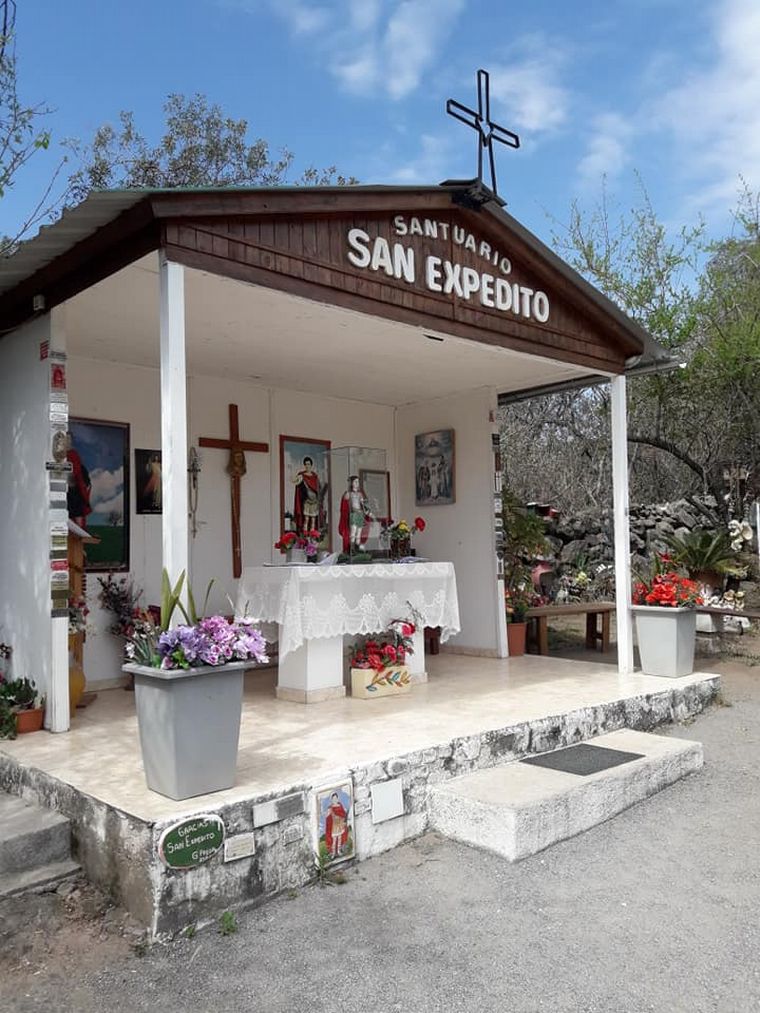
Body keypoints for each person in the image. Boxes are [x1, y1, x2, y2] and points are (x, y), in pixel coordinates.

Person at [339, 475, 372, 553]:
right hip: (353, 514)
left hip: (360, 514)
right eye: (355, 482)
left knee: (359, 533)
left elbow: (363, 505)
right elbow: (344, 507)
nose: (357, 483)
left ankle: (357, 548)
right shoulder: (348, 494)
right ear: (351, 483)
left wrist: (368, 511)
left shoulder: (360, 494)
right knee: (353, 532)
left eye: (358, 482)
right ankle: (351, 548)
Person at [65, 431, 92, 528]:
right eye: (66, 439)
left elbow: (75, 471)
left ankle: (80, 534)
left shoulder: (73, 454)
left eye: (69, 439)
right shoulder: (59, 455)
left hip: (73, 489)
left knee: (77, 514)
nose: (68, 441)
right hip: (64, 489)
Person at [292, 456, 320, 534]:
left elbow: (318, 488)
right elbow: (295, 481)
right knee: (306, 518)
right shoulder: (302, 475)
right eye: (306, 464)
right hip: (307, 500)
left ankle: (312, 533)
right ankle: (305, 532)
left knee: (313, 518)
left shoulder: (315, 476)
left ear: (311, 465)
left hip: (314, 501)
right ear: (304, 465)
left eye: (309, 464)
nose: (307, 466)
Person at [324, 792, 349, 859]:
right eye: (333, 798)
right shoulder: (330, 808)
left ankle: (338, 851)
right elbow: (327, 817)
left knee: (340, 839)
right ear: (332, 799)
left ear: (337, 799)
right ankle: (333, 853)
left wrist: (344, 819)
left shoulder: (340, 806)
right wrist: (328, 814)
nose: (335, 800)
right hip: (334, 826)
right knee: (334, 840)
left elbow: (343, 814)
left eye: (336, 798)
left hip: (340, 825)